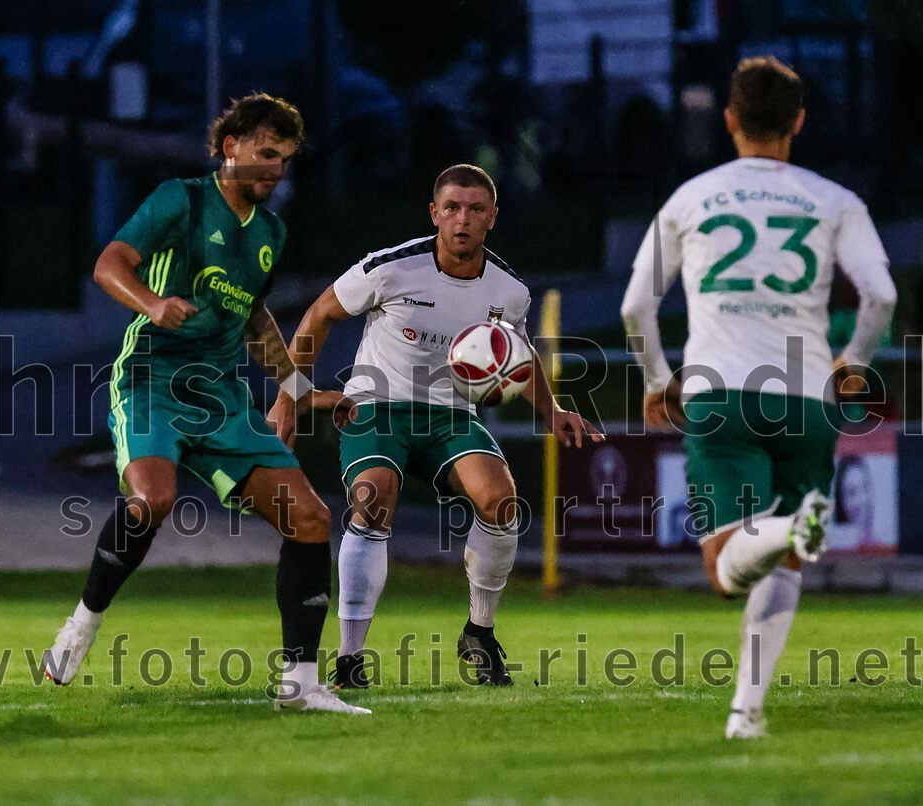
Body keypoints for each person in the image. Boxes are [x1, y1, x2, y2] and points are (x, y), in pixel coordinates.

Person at [42, 93, 368, 715]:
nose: (276, 169)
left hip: (220, 397)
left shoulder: (271, 232)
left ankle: (300, 685)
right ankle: (83, 621)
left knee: (311, 519)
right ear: (231, 148)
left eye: (287, 159)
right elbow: (109, 263)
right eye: (267, 154)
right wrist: (151, 303)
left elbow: (255, 325)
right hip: (151, 382)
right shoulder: (181, 200)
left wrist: (301, 391)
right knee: (153, 499)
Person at [621, 57, 896, 738]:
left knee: (725, 569)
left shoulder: (690, 197)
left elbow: (635, 307)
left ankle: (777, 529)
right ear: (798, 121)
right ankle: (746, 713)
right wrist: (855, 361)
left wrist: (659, 381)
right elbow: (883, 295)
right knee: (789, 560)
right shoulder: (835, 199)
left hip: (720, 393)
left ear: (730, 120)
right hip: (807, 397)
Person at [268, 164, 605, 689]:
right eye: (452, 208)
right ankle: (351, 657)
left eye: (475, 209)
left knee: (502, 501)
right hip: (376, 406)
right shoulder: (391, 268)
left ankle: (480, 631)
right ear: (434, 214)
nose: (462, 220)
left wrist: (553, 411)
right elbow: (317, 316)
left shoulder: (509, 291)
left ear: (492, 216)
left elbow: (519, 355)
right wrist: (289, 399)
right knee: (372, 498)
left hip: (451, 415)